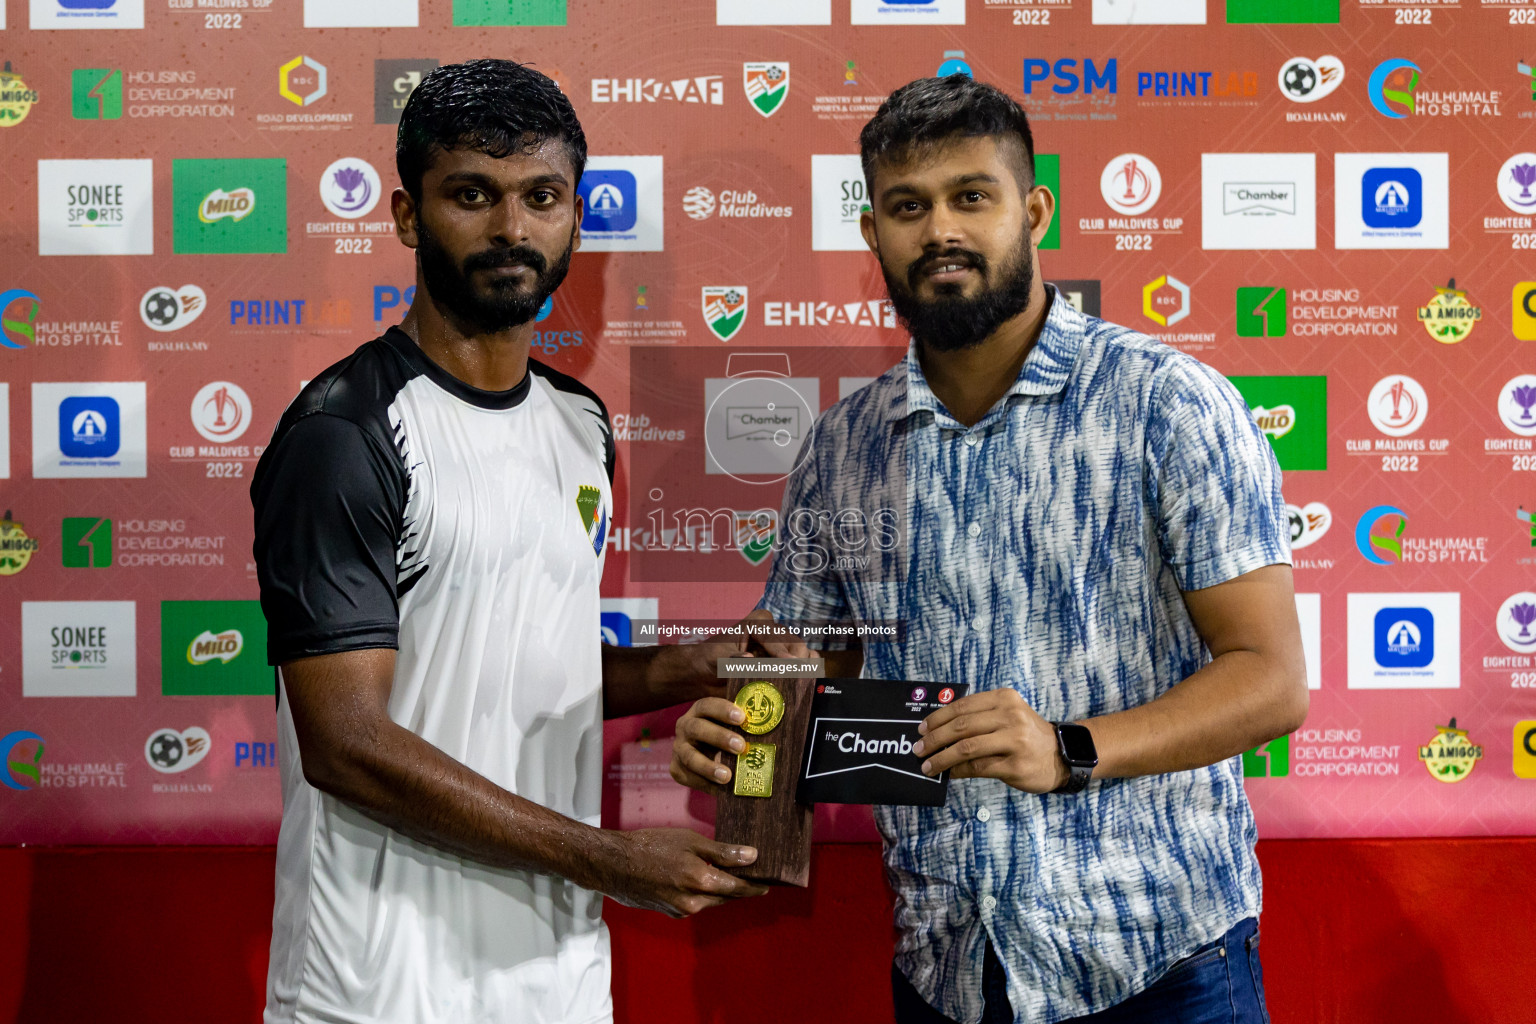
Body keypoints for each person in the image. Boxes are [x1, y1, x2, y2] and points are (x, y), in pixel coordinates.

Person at [670, 75, 1308, 1024]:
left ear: (1034, 208)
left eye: (973, 196)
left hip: (1160, 965)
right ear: (872, 232)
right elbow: (792, 666)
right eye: (906, 207)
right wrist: (736, 740)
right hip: (949, 969)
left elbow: (1271, 680)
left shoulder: (1166, 404)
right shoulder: (844, 446)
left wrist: (1070, 749)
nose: (940, 232)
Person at [251, 60, 781, 1024]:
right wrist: (616, 860)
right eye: (472, 196)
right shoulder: (345, 432)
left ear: (576, 214)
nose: (510, 229)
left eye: (541, 197)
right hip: (377, 988)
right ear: (410, 217)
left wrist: (671, 673)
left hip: (558, 978)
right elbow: (347, 745)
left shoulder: (581, 424)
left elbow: (509, 665)